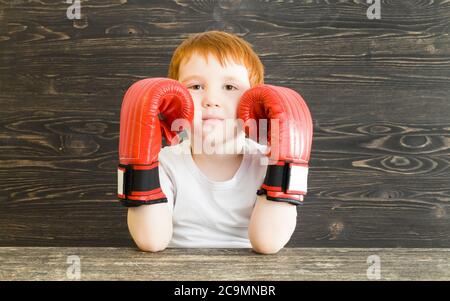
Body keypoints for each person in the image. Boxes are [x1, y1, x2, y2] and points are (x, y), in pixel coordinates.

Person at [120, 31, 312, 254]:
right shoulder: (165, 162)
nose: (211, 100)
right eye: (196, 87)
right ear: (174, 98)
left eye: (230, 87)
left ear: (254, 101)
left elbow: (268, 243)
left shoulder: (266, 161)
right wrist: (140, 163)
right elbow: (151, 241)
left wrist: (286, 162)